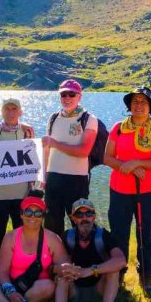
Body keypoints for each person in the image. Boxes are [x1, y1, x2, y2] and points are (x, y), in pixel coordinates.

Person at [104, 86, 151, 292]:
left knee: (146, 233)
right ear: (129, 106)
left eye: (143, 101)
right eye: (135, 101)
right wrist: (131, 168)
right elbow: (107, 157)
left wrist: (135, 163)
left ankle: (146, 274)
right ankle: (119, 273)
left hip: (148, 191)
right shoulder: (118, 128)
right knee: (119, 233)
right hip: (120, 190)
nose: (139, 105)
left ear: (150, 106)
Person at [53, 199, 127, 302]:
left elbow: (121, 260)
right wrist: (63, 268)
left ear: (94, 216)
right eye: (79, 215)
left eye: (88, 214)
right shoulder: (67, 237)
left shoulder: (103, 235)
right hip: (74, 290)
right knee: (62, 276)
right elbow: (52, 266)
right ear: (73, 219)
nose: (84, 218)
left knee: (113, 271)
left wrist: (91, 270)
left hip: (99, 289)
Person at [0, 98, 37, 266]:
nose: (11, 112)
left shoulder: (27, 132)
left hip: (21, 194)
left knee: (21, 232)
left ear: (20, 112)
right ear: (2, 111)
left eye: (15, 109)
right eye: (7, 109)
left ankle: (20, 264)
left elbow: (34, 160)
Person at [42, 79, 99, 237]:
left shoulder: (89, 119)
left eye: (71, 94)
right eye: (63, 94)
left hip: (77, 180)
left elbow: (83, 151)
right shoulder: (53, 118)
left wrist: (55, 143)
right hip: (53, 178)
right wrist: (43, 176)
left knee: (81, 224)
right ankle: (54, 260)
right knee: (52, 224)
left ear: (79, 96)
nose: (67, 98)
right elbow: (47, 149)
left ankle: (81, 259)